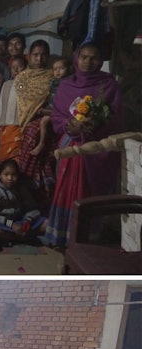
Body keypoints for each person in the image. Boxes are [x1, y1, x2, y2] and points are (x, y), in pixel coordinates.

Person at [45, 42, 122, 248]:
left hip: (95, 148)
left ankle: (85, 238)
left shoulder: (108, 84)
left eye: (94, 57)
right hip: (70, 144)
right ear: (76, 58)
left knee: (87, 191)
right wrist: (70, 125)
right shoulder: (66, 84)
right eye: (84, 57)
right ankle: (62, 236)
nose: (88, 62)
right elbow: (57, 116)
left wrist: (91, 125)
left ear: (101, 60)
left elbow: (114, 117)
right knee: (65, 188)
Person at [14, 40, 56, 212]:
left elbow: (59, 101)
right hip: (29, 127)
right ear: (29, 56)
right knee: (28, 166)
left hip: (52, 126)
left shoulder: (54, 76)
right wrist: (40, 111)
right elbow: (26, 102)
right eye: (35, 55)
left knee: (48, 167)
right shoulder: (22, 78)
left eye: (43, 54)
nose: (39, 58)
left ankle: (46, 208)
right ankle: (28, 206)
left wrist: (48, 112)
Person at [0, 158, 45, 245]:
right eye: (6, 174)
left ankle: (19, 236)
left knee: (46, 223)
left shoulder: (21, 187)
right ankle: (19, 237)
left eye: (13, 175)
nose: (10, 178)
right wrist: (10, 224)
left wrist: (28, 220)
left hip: (19, 220)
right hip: (3, 222)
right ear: (0, 175)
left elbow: (32, 208)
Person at [0, 56, 27, 163]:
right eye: (13, 67)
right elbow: (0, 107)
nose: (16, 70)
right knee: (3, 160)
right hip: (4, 128)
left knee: (16, 160)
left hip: (18, 127)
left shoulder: (27, 85)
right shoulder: (6, 84)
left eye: (20, 67)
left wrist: (22, 81)